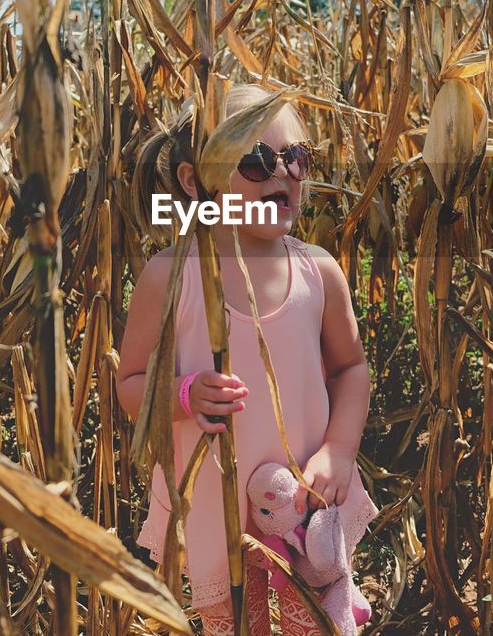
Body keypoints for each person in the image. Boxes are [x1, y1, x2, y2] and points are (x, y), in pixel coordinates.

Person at [117, 85, 378, 634]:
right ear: (195, 182)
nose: (282, 174)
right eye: (256, 162)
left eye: (297, 159)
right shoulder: (168, 275)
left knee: (313, 621)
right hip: (216, 505)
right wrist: (185, 395)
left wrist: (339, 450)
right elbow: (131, 383)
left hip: (303, 504)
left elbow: (352, 368)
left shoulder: (318, 271)